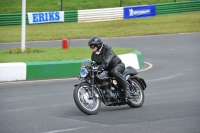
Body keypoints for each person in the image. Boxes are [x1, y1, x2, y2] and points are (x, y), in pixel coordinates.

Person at [88, 36, 130, 101]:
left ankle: (126, 88)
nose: (91, 48)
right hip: (106, 69)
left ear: (98, 45)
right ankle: (106, 92)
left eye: (93, 46)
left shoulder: (107, 48)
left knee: (114, 72)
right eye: (90, 46)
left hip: (117, 65)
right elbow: (94, 63)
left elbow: (109, 57)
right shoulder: (93, 55)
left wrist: (104, 65)